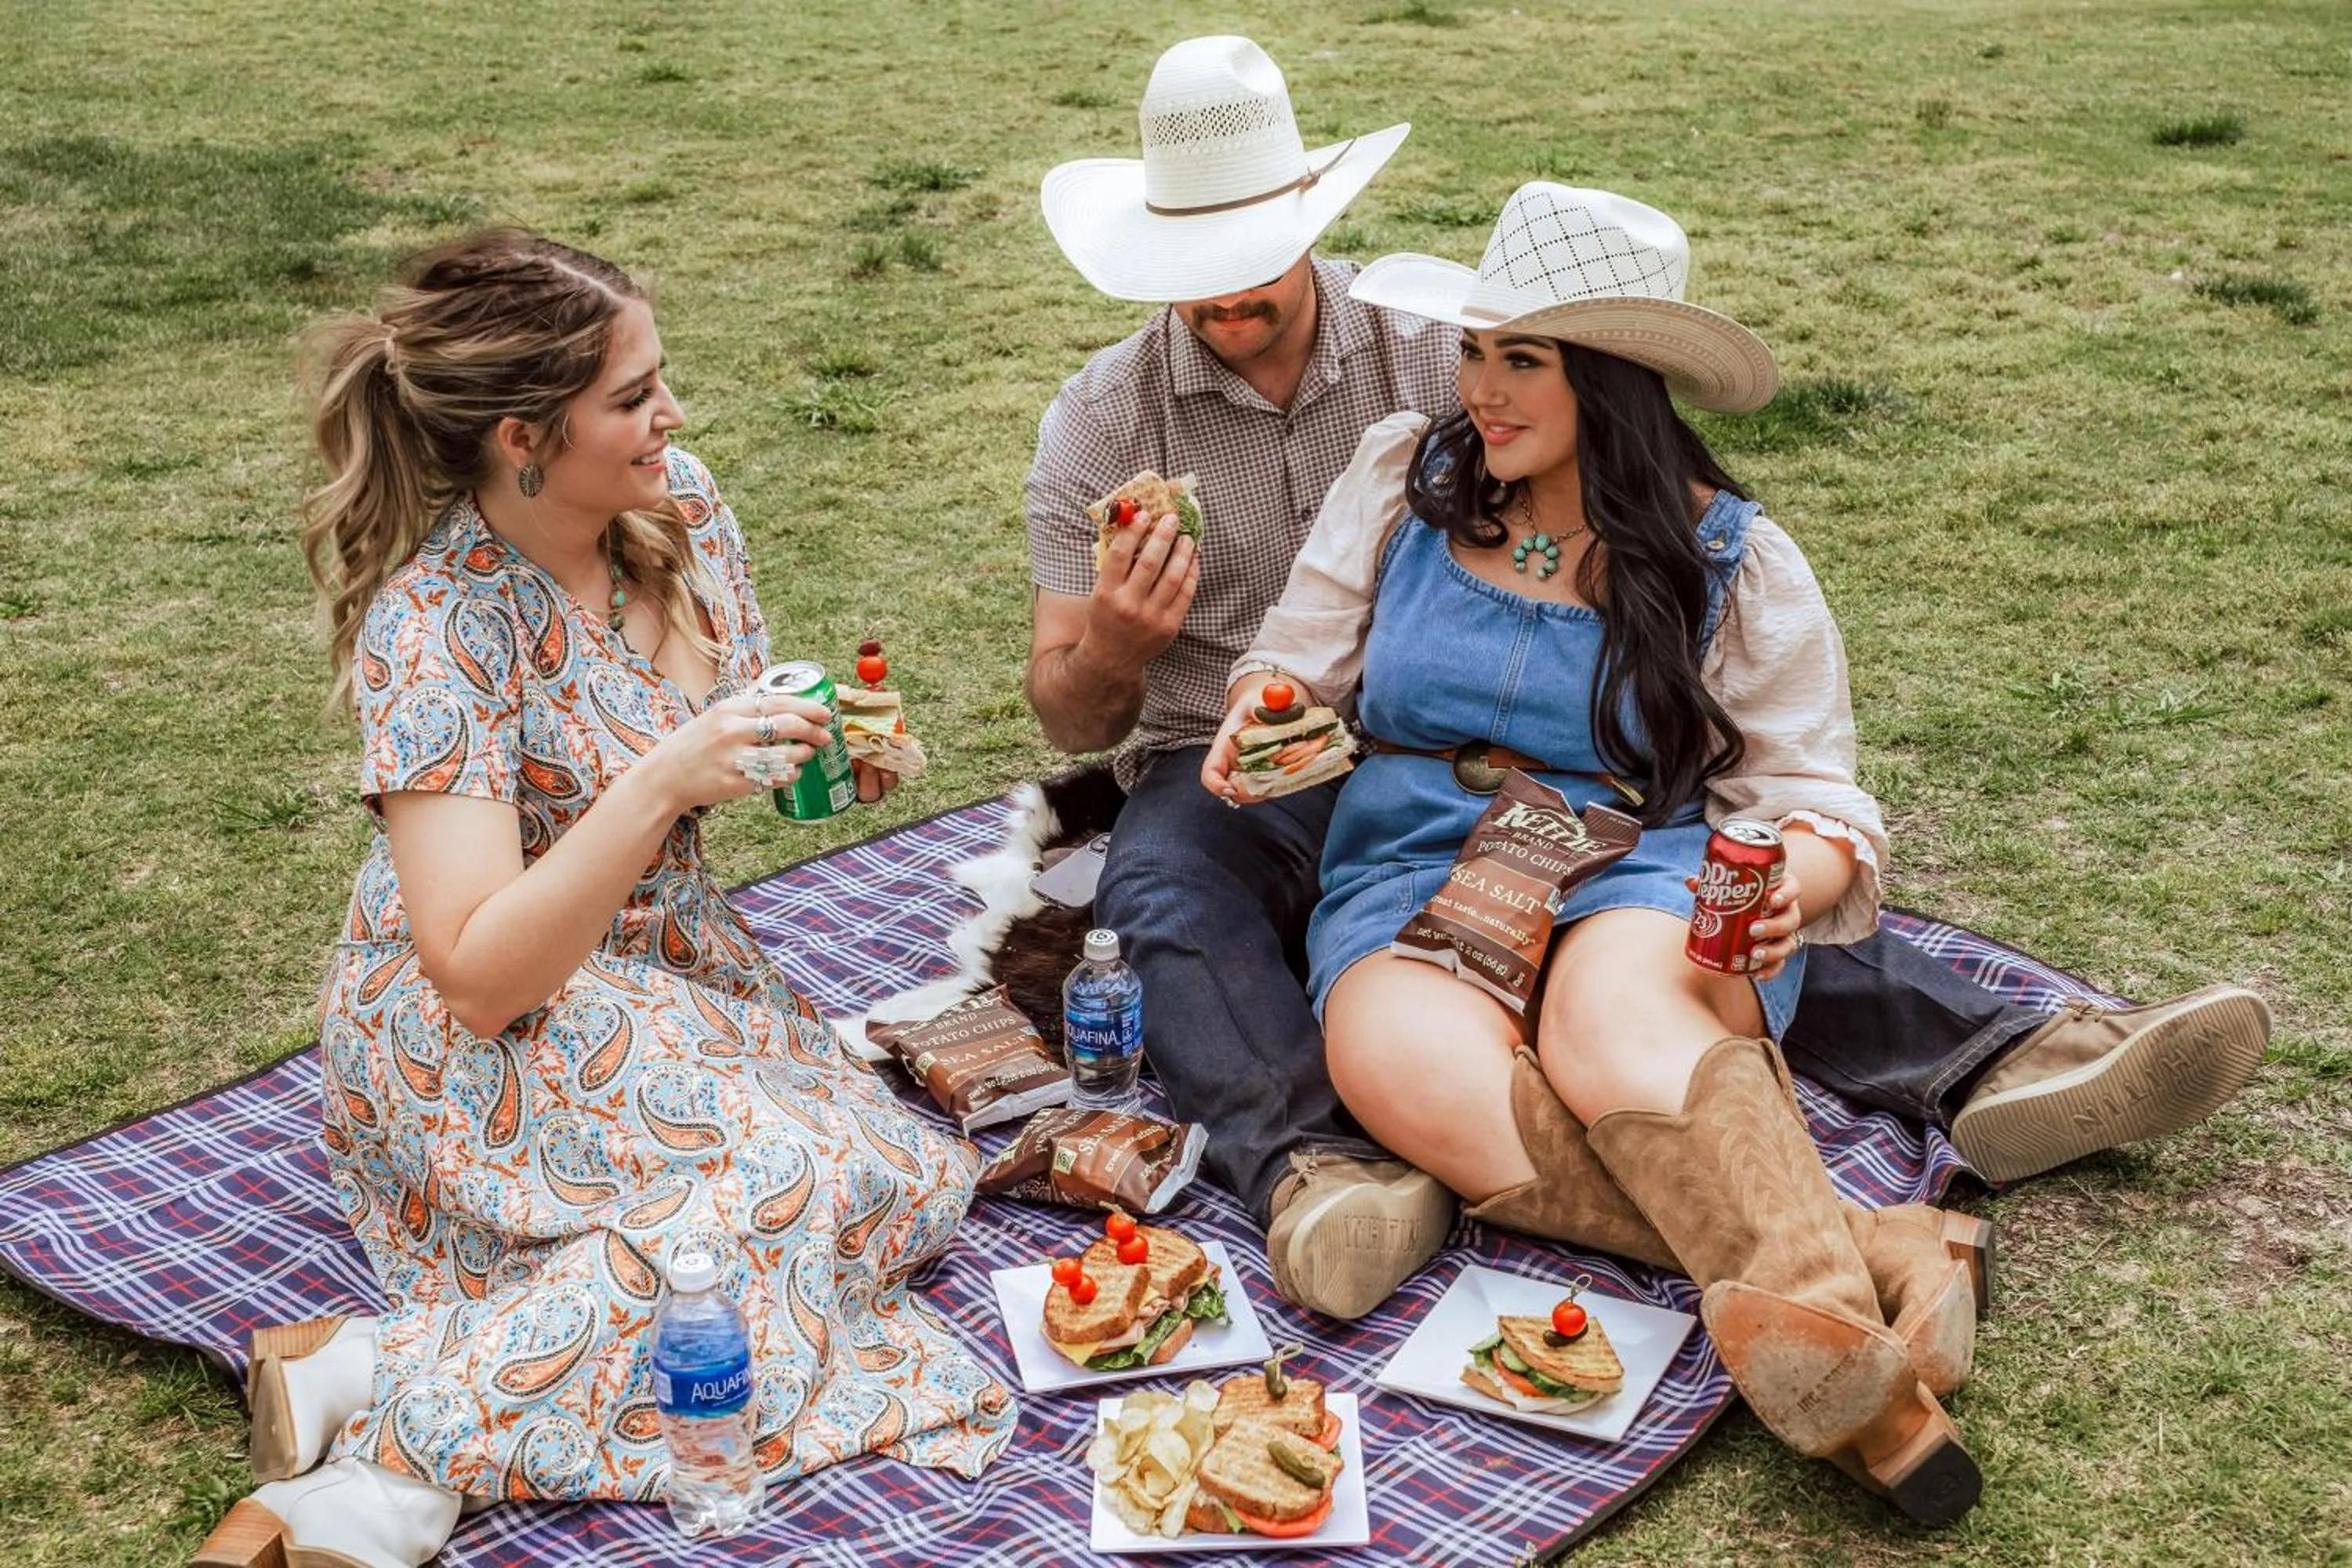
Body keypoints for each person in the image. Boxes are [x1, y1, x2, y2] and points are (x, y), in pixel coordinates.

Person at [1023, 35, 2269, 1320]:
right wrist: (1138, 647)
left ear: (1310, 222)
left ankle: (1999, 1056)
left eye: (1252, 256)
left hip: (1593, 805)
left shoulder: (1426, 348)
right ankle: (1317, 1168)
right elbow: (1081, 698)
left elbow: (1772, 789)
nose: (1484, 393)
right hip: (1266, 764)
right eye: (1195, 268)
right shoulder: (1110, 422)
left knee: (1656, 936)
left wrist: (1782, 866)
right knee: (1165, 887)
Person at [197, 232, 1012, 1568]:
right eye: (633, 397)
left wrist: (818, 754)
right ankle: (396, 1469)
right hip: (474, 1022)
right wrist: (658, 781)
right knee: (775, 1181)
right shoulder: (440, 628)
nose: (672, 418)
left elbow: (721, 735)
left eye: (661, 381)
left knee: (908, 1169)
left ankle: (364, 1356)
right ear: (523, 438)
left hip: (668, 966)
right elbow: (476, 971)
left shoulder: (677, 503)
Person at [1204, 182, 1979, 1522]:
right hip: (1415, 862)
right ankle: (1874, 1258)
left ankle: (1859, 1391)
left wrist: (1794, 885)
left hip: (1640, 857)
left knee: (1613, 1021)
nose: (1479, 392)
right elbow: (1295, 659)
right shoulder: (1405, 477)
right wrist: (1259, 718)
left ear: (1611, 381)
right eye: (1473, 351)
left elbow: (1813, 795)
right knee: (1399, 1062)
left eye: (1523, 361)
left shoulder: (1732, 556)